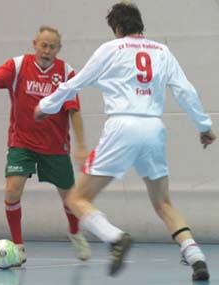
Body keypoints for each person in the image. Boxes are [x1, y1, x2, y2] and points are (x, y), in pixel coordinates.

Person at [34, 2, 217, 280]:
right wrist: (204, 126)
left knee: (76, 198)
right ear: (139, 24)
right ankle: (196, 257)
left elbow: (75, 83)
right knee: (163, 204)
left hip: (122, 126)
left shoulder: (111, 49)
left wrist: (45, 106)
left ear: (117, 28)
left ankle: (115, 237)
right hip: (154, 129)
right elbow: (185, 90)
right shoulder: (162, 51)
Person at [0, 26, 91, 265]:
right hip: (22, 142)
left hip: (55, 146)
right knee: (12, 191)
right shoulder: (19, 66)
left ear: (58, 49)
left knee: (70, 198)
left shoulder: (66, 72)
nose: (47, 50)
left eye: (52, 46)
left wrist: (81, 146)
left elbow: (75, 112)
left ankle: (75, 233)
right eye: (43, 45)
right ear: (34, 44)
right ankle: (18, 246)